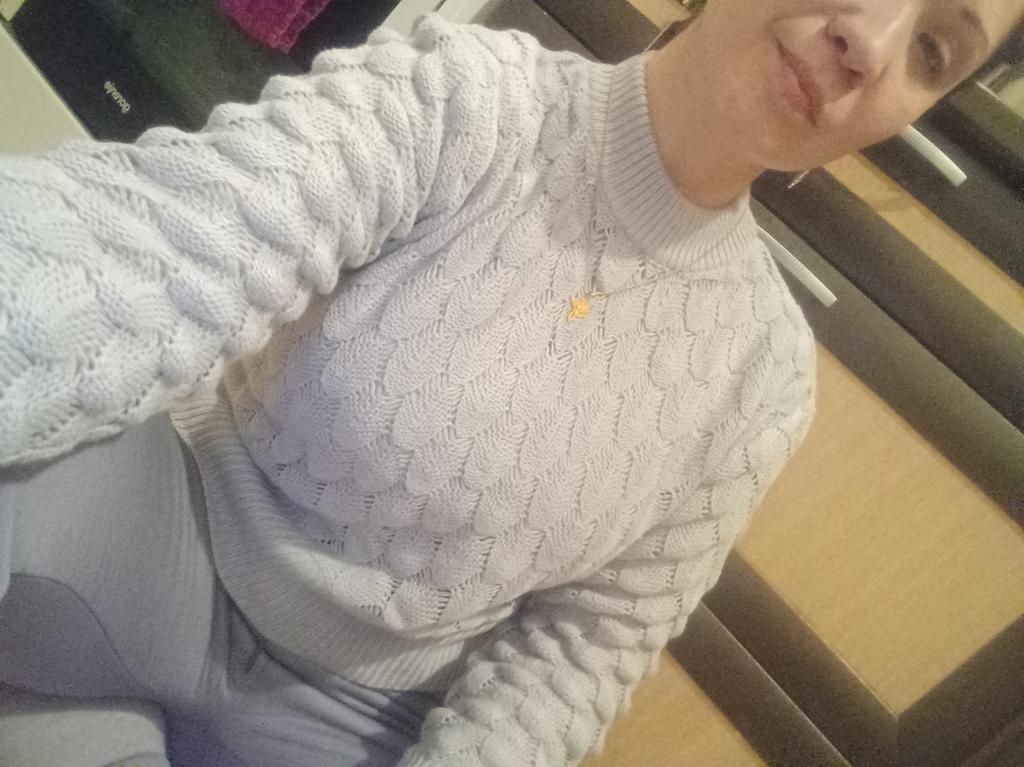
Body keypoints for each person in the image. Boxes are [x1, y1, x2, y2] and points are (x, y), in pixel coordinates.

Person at [0, 2, 1021, 765]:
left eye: (933, 50)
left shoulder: (766, 380)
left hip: (358, 720)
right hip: (159, 537)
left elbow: (583, 649)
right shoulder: (468, 98)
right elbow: (154, 247)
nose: (872, 41)